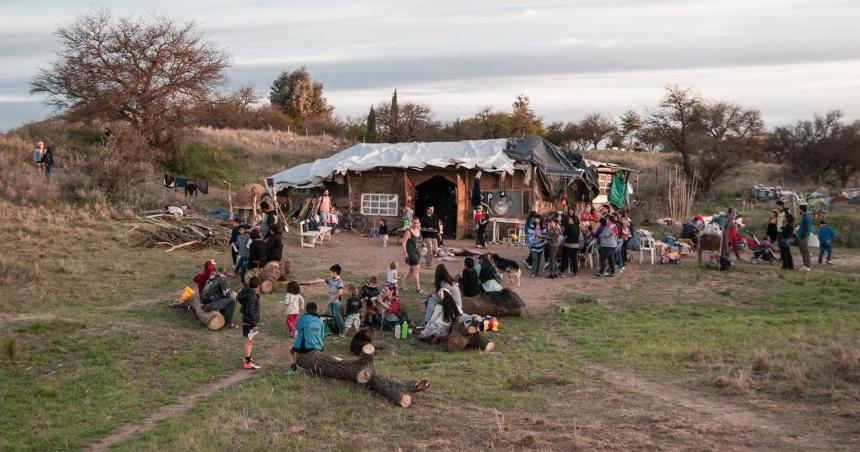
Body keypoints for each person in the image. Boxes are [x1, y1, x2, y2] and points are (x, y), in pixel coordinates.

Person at [285, 302, 325, 375]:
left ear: (307, 310)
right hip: (320, 347)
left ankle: (294, 367)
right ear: (316, 310)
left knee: (290, 350)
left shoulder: (305, 318)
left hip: (308, 347)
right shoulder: (320, 320)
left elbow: (296, 327)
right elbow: (322, 336)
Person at [238, 276, 262, 370]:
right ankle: (248, 362)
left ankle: (248, 358)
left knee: (250, 340)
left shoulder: (246, 291)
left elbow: (240, 298)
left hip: (247, 320)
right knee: (249, 341)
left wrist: (257, 294)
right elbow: (250, 310)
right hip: (249, 322)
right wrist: (254, 324)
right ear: (258, 286)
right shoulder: (252, 297)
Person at [401, 217, 425, 294]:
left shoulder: (418, 230)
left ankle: (403, 284)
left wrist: (423, 247)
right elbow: (404, 242)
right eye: (414, 222)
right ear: (411, 222)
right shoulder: (408, 231)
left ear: (419, 223)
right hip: (411, 252)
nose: (415, 224)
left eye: (417, 223)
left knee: (411, 270)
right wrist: (405, 252)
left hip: (417, 252)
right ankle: (418, 288)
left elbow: (420, 241)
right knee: (417, 268)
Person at [325, 264, 345, 336]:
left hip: (335, 302)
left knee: (336, 315)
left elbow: (340, 292)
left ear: (335, 273)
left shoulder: (340, 282)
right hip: (331, 301)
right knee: (332, 315)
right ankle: (335, 329)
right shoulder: (330, 279)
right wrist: (310, 282)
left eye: (331, 272)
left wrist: (332, 299)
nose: (330, 274)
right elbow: (322, 280)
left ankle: (343, 328)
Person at [560, 211, 580, 278]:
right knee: (574, 259)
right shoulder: (578, 227)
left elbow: (564, 234)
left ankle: (562, 272)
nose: (569, 220)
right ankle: (575, 273)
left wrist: (561, 229)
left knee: (564, 258)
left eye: (570, 219)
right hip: (576, 245)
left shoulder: (569, 227)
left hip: (569, 245)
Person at [797, 204, 813, 271]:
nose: (798, 210)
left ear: (802, 209)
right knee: (803, 251)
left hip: (804, 236)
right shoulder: (805, 216)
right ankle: (805, 265)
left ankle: (807, 266)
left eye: (799, 209)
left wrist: (802, 236)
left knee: (805, 251)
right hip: (803, 235)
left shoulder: (806, 217)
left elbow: (806, 228)